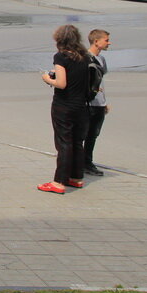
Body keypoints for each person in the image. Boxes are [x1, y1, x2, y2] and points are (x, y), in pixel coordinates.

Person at [38, 24, 90, 194]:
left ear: (59, 39)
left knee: (64, 142)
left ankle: (59, 181)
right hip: (81, 105)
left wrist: (47, 78)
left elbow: (61, 84)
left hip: (64, 105)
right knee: (77, 141)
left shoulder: (61, 57)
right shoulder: (84, 56)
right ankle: (76, 177)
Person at [85, 29, 111, 176]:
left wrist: (105, 102)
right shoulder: (86, 58)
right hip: (89, 103)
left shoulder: (102, 60)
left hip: (99, 103)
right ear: (96, 41)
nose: (109, 43)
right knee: (86, 134)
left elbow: (101, 82)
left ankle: (87, 161)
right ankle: (84, 163)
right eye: (106, 40)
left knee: (94, 134)